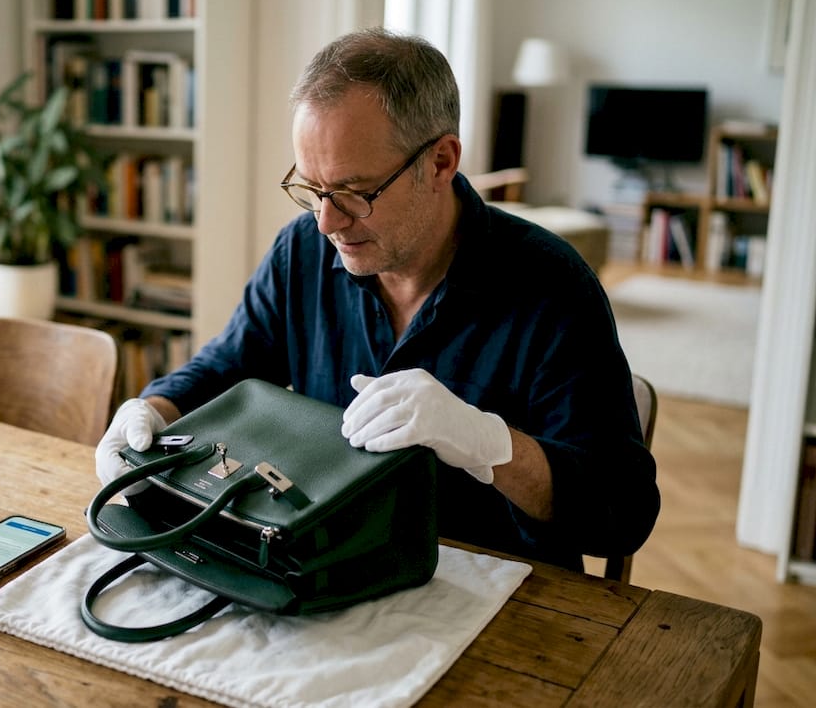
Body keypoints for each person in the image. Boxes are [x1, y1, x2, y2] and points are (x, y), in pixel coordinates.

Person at [95, 28, 659, 571]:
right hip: (330, 567)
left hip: (495, 596)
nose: (327, 222)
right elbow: (228, 364)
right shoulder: (302, 253)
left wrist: (491, 445)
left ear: (441, 162)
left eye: (355, 193)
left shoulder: (553, 287)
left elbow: (622, 514)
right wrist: (153, 412)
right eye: (312, 189)